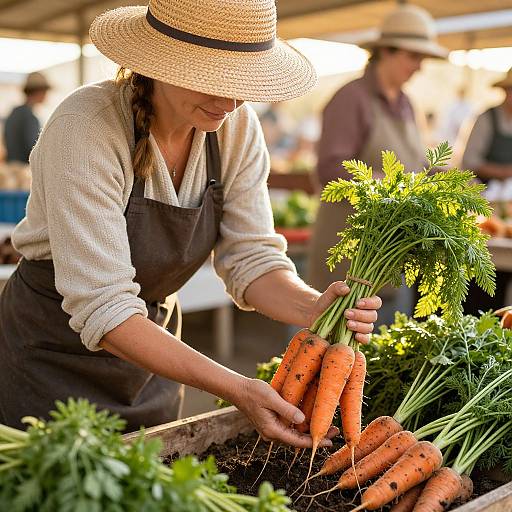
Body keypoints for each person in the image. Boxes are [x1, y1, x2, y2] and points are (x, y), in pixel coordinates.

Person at [0, 0, 381, 449]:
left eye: (242, 81)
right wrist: (237, 389)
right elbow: (104, 307)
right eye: (213, 77)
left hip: (153, 360)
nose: (231, 100)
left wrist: (313, 307)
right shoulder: (88, 127)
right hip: (50, 358)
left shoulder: (237, 129)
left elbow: (251, 259)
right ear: (159, 60)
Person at [307, 4, 447, 326]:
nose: (420, 67)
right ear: (386, 51)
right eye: (414, 57)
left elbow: (414, 163)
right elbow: (330, 169)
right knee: (325, 349)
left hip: (388, 255)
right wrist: (395, 184)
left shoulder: (406, 103)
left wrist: (441, 178)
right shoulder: (351, 99)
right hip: (348, 255)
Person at [461, 68, 512, 314]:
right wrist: (504, 172)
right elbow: (469, 162)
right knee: (482, 272)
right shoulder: (487, 118)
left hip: (508, 207)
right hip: (482, 206)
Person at [3, 71, 51, 163]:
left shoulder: (14, 112)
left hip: (12, 166)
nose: (46, 95)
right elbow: (33, 149)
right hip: (24, 169)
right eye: (45, 91)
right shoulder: (30, 118)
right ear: (38, 91)